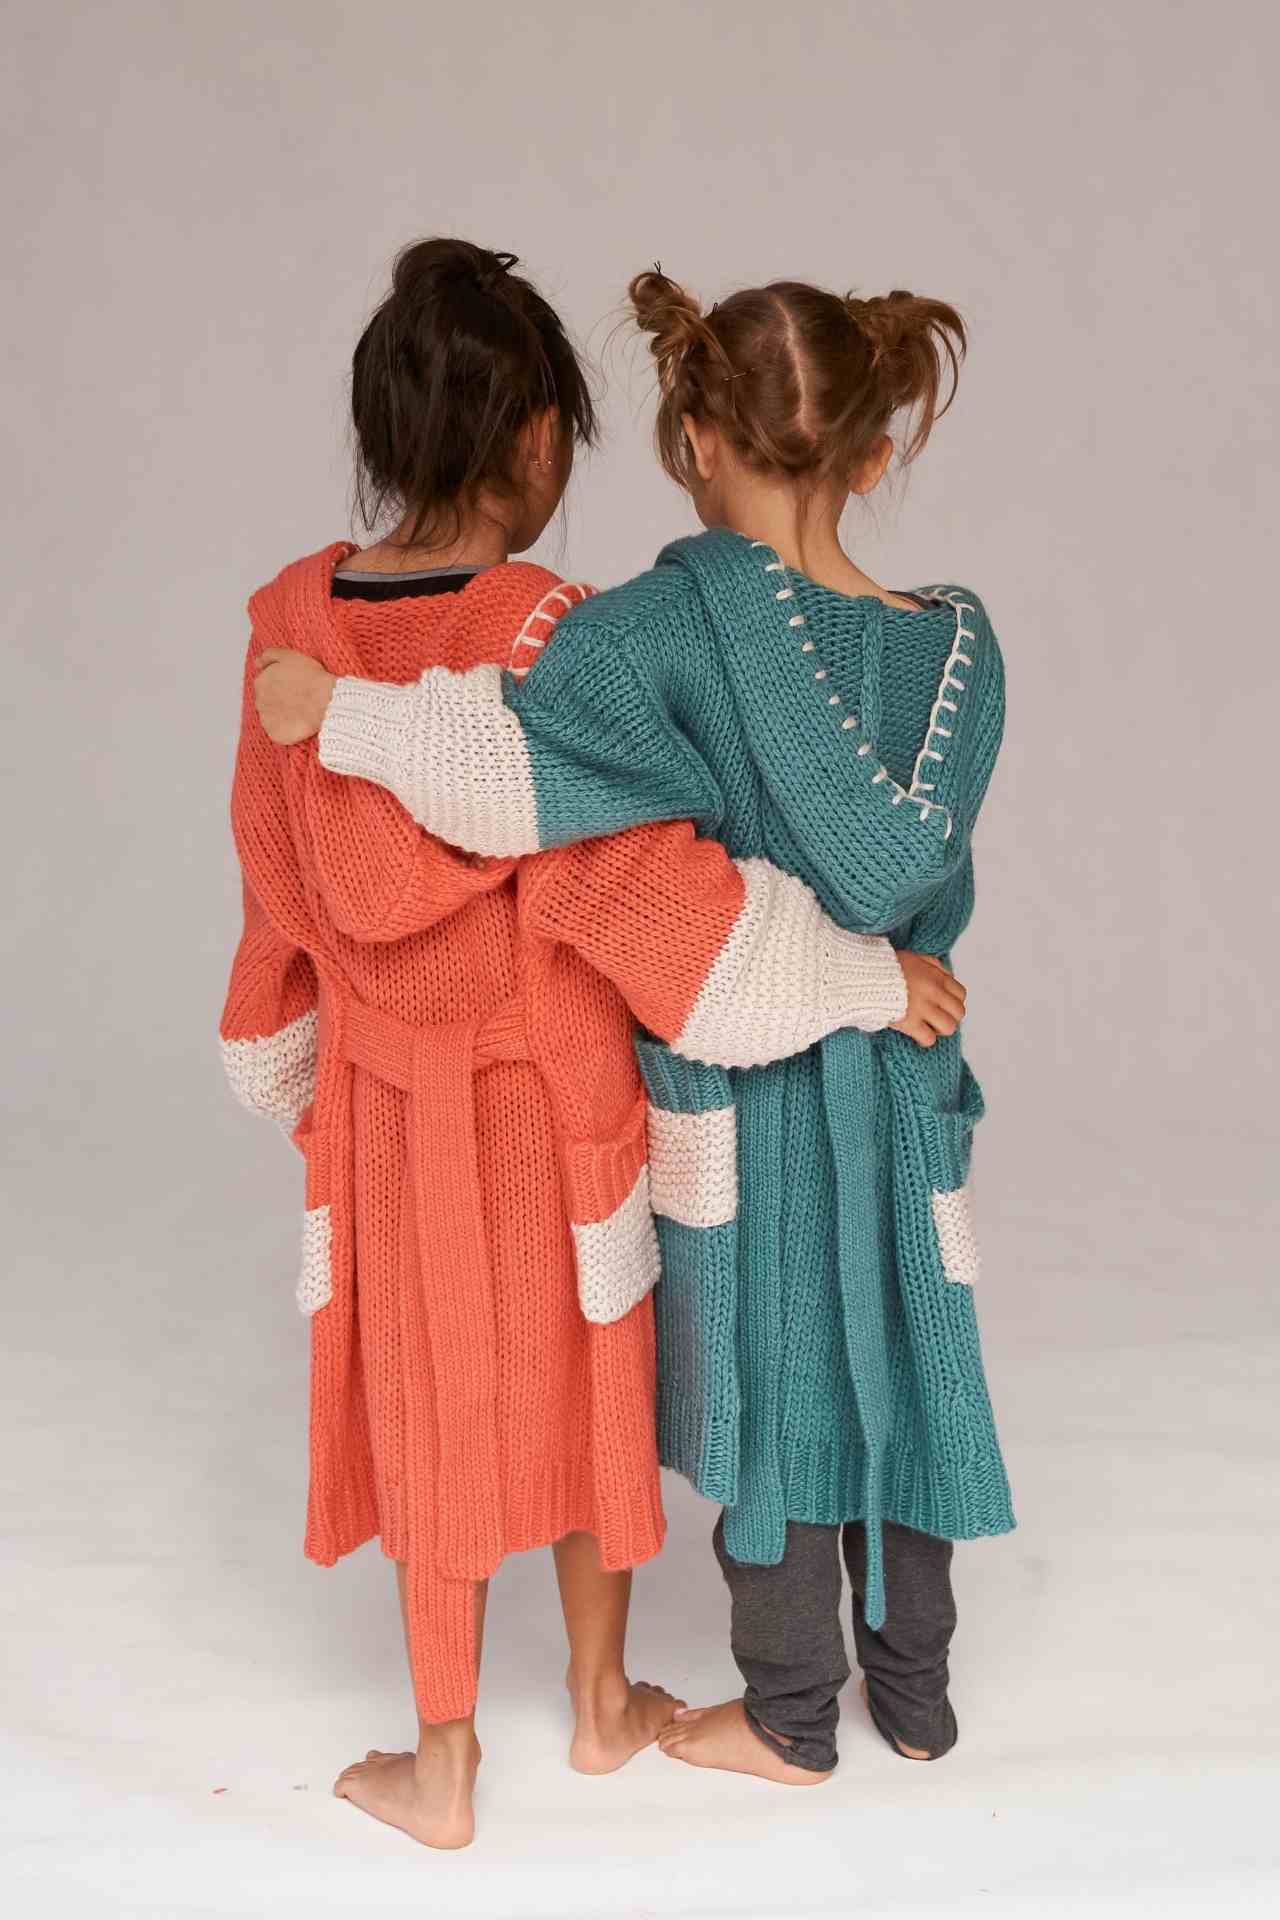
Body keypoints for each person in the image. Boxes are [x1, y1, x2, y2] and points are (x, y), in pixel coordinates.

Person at [224, 238, 968, 1847]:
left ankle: (440, 1759)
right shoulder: (552, 625)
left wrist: (288, 1061)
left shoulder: (288, 628)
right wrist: (851, 976)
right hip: (563, 1087)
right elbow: (629, 881)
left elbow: (275, 883)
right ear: (545, 440)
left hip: (382, 1091)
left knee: (425, 1388)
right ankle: (611, 1700)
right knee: (595, 1373)